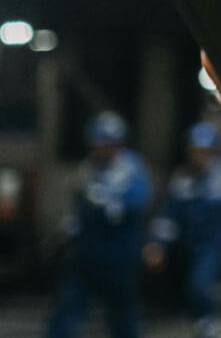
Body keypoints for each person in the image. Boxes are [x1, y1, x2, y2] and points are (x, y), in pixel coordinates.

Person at [48, 111, 150, 338]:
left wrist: (101, 202)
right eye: (97, 144)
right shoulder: (89, 169)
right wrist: (67, 230)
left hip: (119, 255)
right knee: (68, 308)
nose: (100, 149)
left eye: (106, 144)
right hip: (87, 254)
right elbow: (80, 209)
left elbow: (133, 206)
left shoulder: (132, 169)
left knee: (122, 315)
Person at [145, 122, 221, 338]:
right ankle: (201, 323)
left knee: (199, 285)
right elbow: (169, 215)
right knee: (185, 289)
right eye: (195, 152)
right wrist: (157, 244)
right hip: (187, 246)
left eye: (205, 152)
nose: (200, 157)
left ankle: (208, 326)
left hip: (214, 245)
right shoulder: (182, 179)